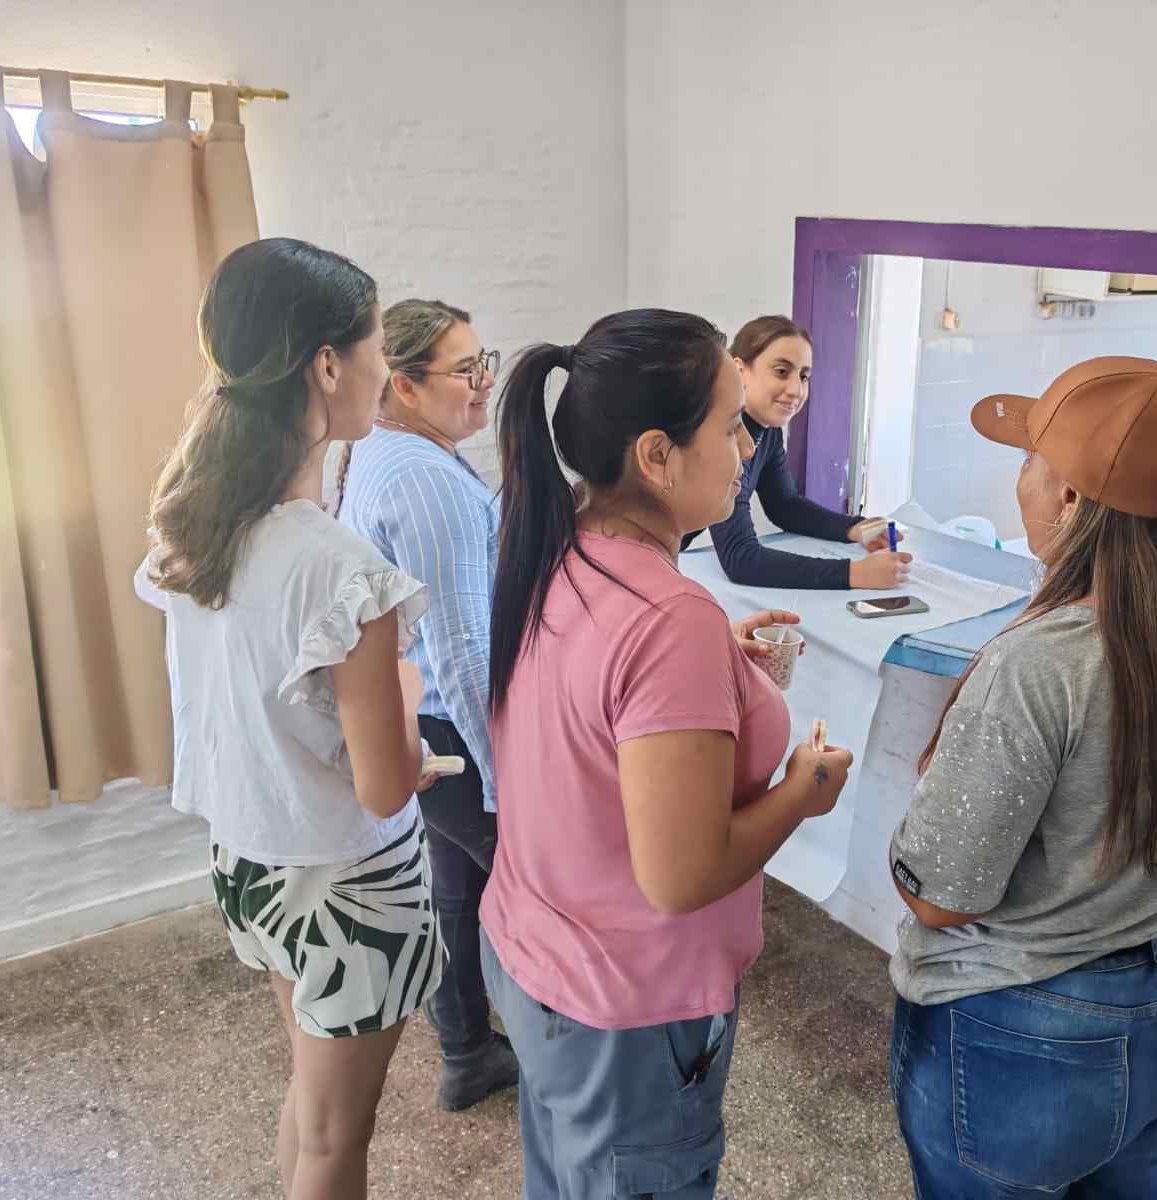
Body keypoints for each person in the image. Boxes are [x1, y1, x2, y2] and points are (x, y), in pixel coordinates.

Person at [887, 356, 1157, 1197]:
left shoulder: (1042, 662)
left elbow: (942, 895)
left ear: (1070, 499)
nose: (1022, 485)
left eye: (1030, 464)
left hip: (1036, 1031)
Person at [478, 309, 855, 1199]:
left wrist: (718, 660)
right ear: (656, 455)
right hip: (626, 1002)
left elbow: (595, 689)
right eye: (730, 426)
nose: (744, 446)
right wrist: (802, 791)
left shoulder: (558, 538)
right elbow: (682, 876)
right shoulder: (667, 620)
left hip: (539, 951)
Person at [136, 238, 442, 1199]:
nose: (385, 370)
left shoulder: (196, 525)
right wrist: (411, 703)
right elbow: (385, 781)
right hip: (349, 879)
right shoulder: (343, 571)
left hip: (251, 862)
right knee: (336, 1140)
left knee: (311, 1116)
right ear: (326, 365)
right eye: (376, 346)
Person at [334, 299, 519, 1111]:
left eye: (487, 361)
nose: (485, 384)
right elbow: (462, 646)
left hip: (421, 719)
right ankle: (563, 1054)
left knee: (456, 891)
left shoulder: (386, 450)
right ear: (404, 386)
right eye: (465, 370)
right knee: (532, 893)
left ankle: (467, 1050)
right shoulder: (425, 480)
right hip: (449, 726)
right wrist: (502, 775)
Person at [682, 315, 912, 589]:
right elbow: (740, 558)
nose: (796, 390)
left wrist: (853, 528)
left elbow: (784, 505)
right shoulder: (715, 437)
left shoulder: (767, 429)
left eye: (804, 376)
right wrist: (854, 573)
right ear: (738, 370)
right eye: (781, 371)